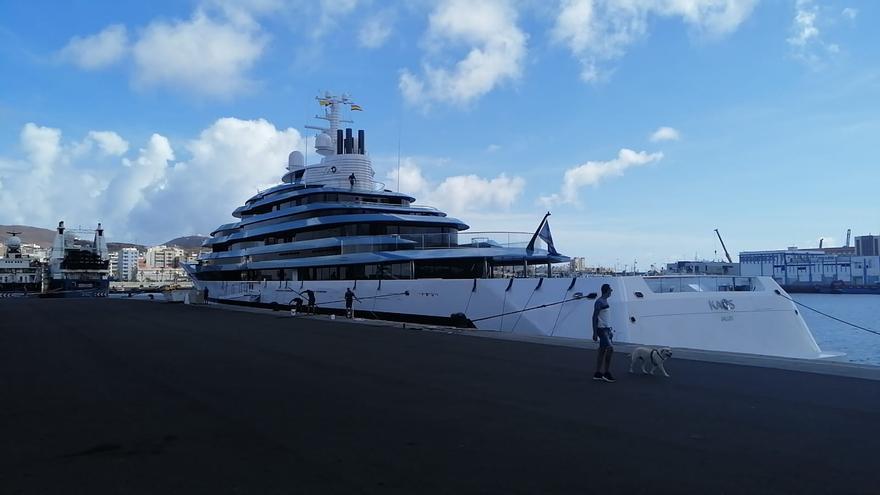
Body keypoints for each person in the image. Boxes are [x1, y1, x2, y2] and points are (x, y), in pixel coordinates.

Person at [592, 283, 616, 382]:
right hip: (602, 329)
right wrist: (594, 332)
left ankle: (597, 373)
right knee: (610, 349)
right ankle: (606, 373)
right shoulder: (599, 302)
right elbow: (594, 317)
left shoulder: (604, 301)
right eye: (610, 289)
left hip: (607, 329)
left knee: (602, 351)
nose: (611, 291)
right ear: (606, 290)